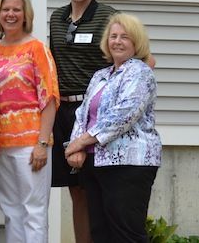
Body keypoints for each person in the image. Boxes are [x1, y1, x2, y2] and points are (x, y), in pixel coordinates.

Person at [64, 13, 161, 243]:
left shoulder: (140, 72)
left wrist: (80, 142)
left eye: (124, 37)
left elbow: (122, 116)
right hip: (95, 163)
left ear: (136, 42)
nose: (117, 41)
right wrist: (76, 148)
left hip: (128, 165)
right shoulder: (101, 75)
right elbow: (83, 113)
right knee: (100, 233)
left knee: (126, 234)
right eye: (113, 36)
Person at [49, 0, 117, 243]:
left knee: (97, 187)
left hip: (93, 113)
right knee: (75, 190)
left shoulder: (108, 17)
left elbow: (139, 61)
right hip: (63, 111)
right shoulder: (56, 18)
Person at [0, 0, 59, 243]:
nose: (11, 14)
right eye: (6, 9)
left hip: (30, 143)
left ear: (25, 14)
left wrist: (41, 142)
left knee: (34, 211)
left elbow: (49, 98)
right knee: (11, 211)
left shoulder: (37, 49)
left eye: (16, 9)